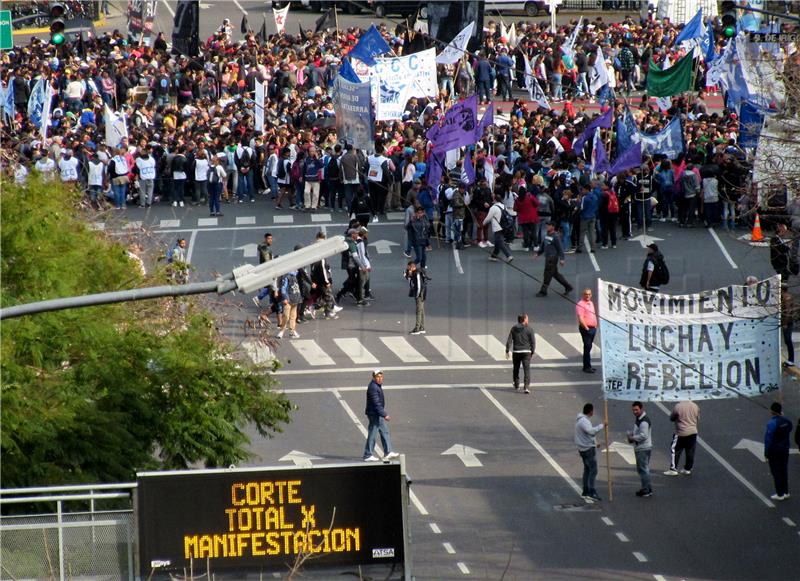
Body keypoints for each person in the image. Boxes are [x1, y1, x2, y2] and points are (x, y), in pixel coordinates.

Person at [363, 370, 400, 462]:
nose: (380, 379)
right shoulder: (373, 388)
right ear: (374, 378)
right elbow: (376, 404)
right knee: (373, 433)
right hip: (374, 414)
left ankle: (388, 452)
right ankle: (368, 454)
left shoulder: (376, 386)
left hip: (376, 414)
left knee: (384, 431)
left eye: (381, 377)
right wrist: (384, 414)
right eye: (378, 377)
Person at [575, 403, 607, 502]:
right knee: (593, 470)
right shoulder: (584, 421)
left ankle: (585, 491)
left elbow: (587, 435)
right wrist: (602, 425)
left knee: (587, 469)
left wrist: (595, 443)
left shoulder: (581, 420)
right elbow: (591, 432)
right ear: (590, 411)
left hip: (584, 448)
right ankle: (591, 491)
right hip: (588, 449)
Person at [764, 402, 793, 501]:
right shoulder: (787, 421)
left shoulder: (772, 423)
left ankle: (779, 494)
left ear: (772, 411)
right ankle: (786, 492)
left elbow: (768, 439)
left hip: (774, 450)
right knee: (783, 470)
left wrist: (766, 452)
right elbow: (790, 429)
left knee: (776, 472)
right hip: (785, 449)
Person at [663, 400, 700, 476]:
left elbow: (672, 418)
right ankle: (687, 468)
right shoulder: (695, 406)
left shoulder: (678, 406)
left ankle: (673, 469)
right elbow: (698, 418)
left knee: (675, 450)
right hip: (693, 432)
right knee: (690, 450)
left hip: (681, 432)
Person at [535, 222, 572, 297]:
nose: (547, 226)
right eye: (547, 225)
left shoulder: (556, 237)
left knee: (547, 274)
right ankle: (568, 287)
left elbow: (560, 248)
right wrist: (538, 253)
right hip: (548, 257)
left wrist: (562, 259)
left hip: (552, 258)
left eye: (549, 225)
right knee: (555, 274)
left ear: (553, 227)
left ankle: (543, 291)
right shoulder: (547, 235)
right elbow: (543, 246)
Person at [505, 313, 536, 394]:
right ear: (524, 320)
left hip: (516, 352)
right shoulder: (529, 329)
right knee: (527, 370)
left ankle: (517, 384)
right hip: (526, 352)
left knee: (516, 368)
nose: (528, 320)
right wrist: (532, 351)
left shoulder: (513, 328)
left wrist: (507, 350)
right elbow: (533, 342)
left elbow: (509, 340)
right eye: (527, 318)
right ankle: (526, 387)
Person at [627, 401, 653, 497]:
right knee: (644, 469)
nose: (635, 412)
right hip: (642, 447)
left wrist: (632, 438)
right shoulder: (639, 419)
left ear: (641, 409)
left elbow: (644, 435)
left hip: (643, 448)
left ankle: (646, 489)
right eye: (633, 410)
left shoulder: (644, 421)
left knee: (643, 469)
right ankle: (648, 488)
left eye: (636, 410)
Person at [484, 193, 514, 263]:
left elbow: (488, 218)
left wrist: (483, 223)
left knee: (500, 242)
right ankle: (493, 256)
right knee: (497, 242)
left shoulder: (493, 208)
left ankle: (509, 256)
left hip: (497, 227)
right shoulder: (503, 206)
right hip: (505, 226)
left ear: (494, 200)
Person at [576, 288, 598, 373]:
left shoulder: (591, 303)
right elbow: (580, 318)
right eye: (586, 294)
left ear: (591, 295)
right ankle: (586, 367)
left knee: (589, 347)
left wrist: (595, 325)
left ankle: (588, 365)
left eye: (589, 294)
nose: (587, 296)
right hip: (586, 329)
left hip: (593, 328)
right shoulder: (580, 304)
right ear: (583, 295)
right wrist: (586, 328)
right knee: (587, 347)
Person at [405, 260, 428, 335]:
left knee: (418, 310)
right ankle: (422, 327)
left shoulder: (417, 274)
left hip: (419, 294)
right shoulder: (414, 273)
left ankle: (417, 328)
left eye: (408, 268)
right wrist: (409, 275)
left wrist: (417, 295)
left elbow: (418, 285)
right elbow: (410, 282)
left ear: (412, 267)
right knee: (421, 310)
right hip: (421, 293)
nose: (407, 269)